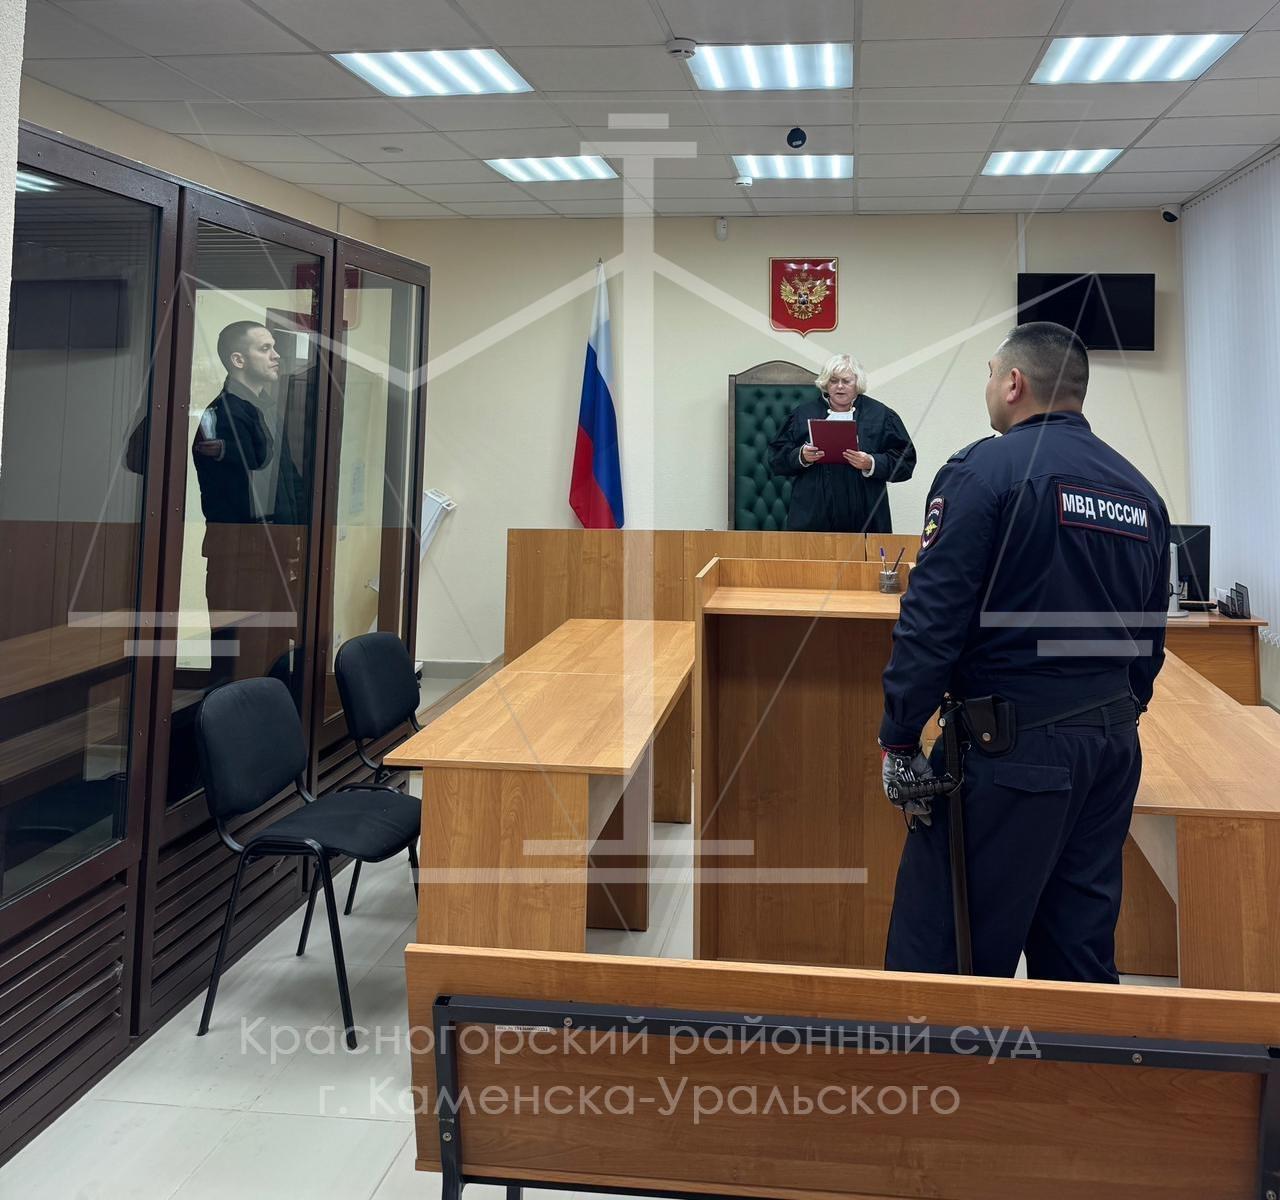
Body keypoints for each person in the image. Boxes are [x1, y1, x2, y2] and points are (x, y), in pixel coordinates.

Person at [878, 321, 1170, 983]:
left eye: (989, 373)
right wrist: (1112, 715)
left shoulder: (984, 472)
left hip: (1011, 752)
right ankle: (1072, 1054)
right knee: (1078, 955)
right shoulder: (1138, 491)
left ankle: (941, 1060)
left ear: (1014, 383)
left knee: (944, 954)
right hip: (1110, 750)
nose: (988, 385)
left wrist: (899, 736)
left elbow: (933, 620)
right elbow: (1151, 637)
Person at [767, 353, 916, 533]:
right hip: (813, 515)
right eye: (833, 381)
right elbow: (776, 457)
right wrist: (801, 456)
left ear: (857, 383)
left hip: (865, 514)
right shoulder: (802, 414)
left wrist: (871, 462)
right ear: (825, 383)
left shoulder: (881, 415)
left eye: (846, 381)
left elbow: (906, 460)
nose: (839, 386)